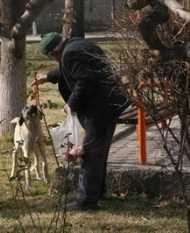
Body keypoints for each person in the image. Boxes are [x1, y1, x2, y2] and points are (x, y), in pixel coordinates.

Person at [33, 32, 130, 210]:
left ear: (55, 50)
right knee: (99, 151)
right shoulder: (78, 44)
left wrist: (71, 104)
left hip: (99, 108)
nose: (54, 58)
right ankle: (97, 192)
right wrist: (48, 77)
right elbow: (69, 69)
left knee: (90, 154)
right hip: (111, 103)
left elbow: (85, 80)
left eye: (52, 55)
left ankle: (86, 200)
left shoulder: (70, 53)